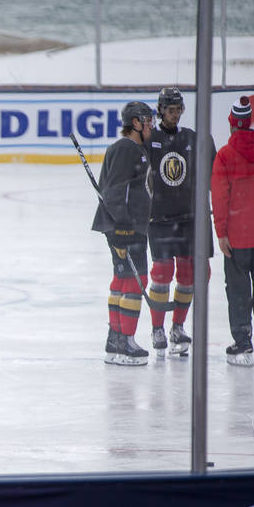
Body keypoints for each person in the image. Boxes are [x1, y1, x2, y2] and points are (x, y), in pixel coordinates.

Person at [145, 86, 212, 357]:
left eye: (178, 110)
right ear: (160, 110)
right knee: (162, 272)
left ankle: (178, 327)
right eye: (170, 110)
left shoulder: (191, 138)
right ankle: (157, 329)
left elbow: (211, 172)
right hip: (159, 219)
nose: (175, 115)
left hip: (187, 219)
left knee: (186, 274)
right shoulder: (150, 139)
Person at [210, 96, 254, 366]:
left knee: (238, 289)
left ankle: (243, 341)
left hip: (237, 237)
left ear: (232, 124)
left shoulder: (225, 155)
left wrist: (221, 233)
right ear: (249, 122)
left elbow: (220, 197)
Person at [91, 100, 154, 366]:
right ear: (136, 123)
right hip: (126, 226)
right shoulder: (127, 149)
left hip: (123, 225)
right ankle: (126, 342)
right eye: (148, 121)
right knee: (135, 280)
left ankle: (115, 340)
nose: (151, 126)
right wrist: (123, 228)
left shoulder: (130, 148)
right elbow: (115, 191)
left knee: (122, 278)